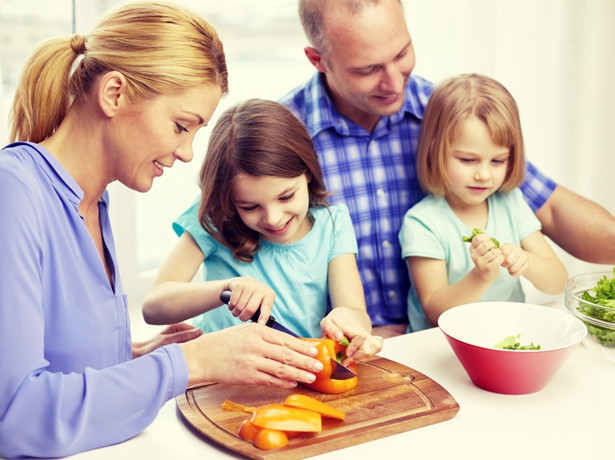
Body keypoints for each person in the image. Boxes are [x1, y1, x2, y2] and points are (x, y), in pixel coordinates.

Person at [0, 3, 325, 458]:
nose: (188, 153)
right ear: (114, 94)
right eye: (180, 125)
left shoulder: (93, 202)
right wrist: (189, 363)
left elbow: (58, 359)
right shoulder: (13, 192)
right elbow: (16, 416)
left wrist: (137, 355)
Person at [280, 0, 615, 336]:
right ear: (318, 60)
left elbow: (550, 210)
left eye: (402, 54)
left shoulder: (449, 114)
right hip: (341, 347)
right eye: (368, 69)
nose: (395, 83)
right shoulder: (283, 136)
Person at [142, 98, 383, 358]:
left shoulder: (332, 224)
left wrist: (348, 318)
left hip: (296, 371)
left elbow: (356, 311)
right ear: (230, 201)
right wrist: (226, 288)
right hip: (220, 373)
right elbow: (154, 306)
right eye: (249, 207)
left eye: (286, 197)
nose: (273, 218)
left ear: (308, 172)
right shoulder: (215, 219)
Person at [398, 74, 568, 331]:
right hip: (438, 349)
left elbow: (559, 281)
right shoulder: (423, 222)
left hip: (506, 339)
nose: (484, 175)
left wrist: (527, 262)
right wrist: (480, 276)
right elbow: (435, 311)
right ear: (435, 152)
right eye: (468, 160)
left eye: (498, 161)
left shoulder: (510, 203)